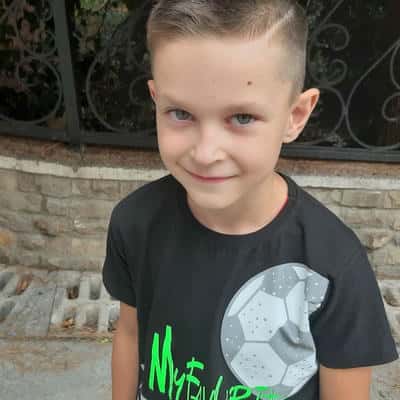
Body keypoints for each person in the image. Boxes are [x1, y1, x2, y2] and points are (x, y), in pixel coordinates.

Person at [102, 1, 399, 399]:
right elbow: (130, 333)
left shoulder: (331, 265)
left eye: (241, 118)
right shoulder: (135, 224)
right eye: (181, 113)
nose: (206, 152)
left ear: (295, 115)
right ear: (156, 100)